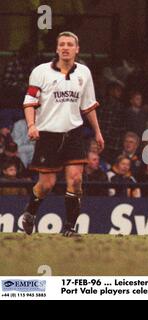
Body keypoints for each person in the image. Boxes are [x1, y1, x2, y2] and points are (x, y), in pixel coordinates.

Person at [21, 31, 104, 237]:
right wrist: (32, 125)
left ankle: (69, 227)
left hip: (73, 133)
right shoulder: (41, 72)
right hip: (48, 135)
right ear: (57, 49)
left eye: (70, 44)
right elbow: (30, 101)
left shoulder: (84, 73)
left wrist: (98, 132)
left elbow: (88, 106)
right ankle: (30, 212)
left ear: (77, 49)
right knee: (46, 185)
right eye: (62, 44)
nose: (65, 48)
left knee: (76, 180)